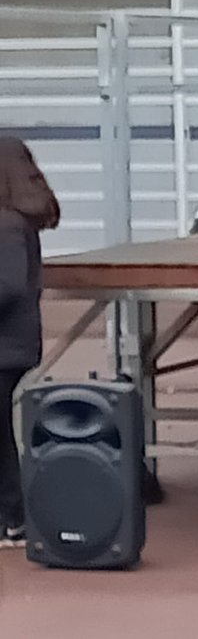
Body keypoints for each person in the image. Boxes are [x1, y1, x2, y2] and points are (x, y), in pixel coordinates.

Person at [0, 139, 60, 550]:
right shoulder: (15, 220)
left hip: (6, 343)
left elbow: (8, 286)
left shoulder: (7, 225)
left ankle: (13, 514)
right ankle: (12, 515)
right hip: (13, 342)